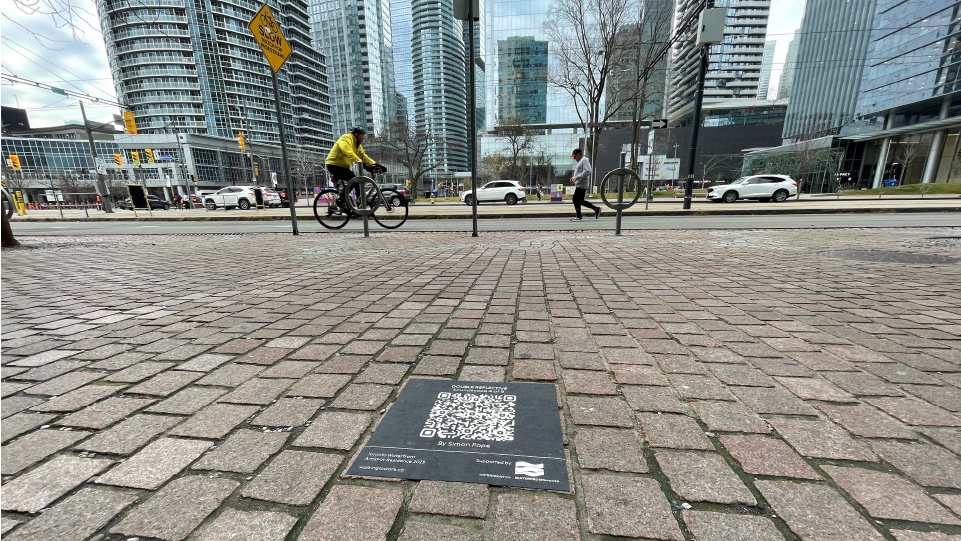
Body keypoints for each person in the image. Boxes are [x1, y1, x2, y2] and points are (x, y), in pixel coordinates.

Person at [325, 126, 386, 212]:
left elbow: (364, 156)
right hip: (333, 165)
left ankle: (359, 206)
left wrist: (375, 164)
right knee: (354, 181)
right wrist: (360, 162)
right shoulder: (346, 138)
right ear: (356, 134)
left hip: (344, 167)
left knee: (357, 183)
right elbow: (348, 152)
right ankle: (340, 200)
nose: (363, 138)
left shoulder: (358, 145)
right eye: (362, 135)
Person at [570, 148, 600, 221]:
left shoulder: (584, 160)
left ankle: (579, 216)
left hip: (582, 184)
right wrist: (575, 178)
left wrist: (576, 177)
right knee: (579, 200)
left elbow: (588, 171)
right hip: (580, 184)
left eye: (574, 156)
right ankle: (596, 209)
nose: (574, 158)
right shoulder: (581, 161)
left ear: (578, 155)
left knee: (576, 199)